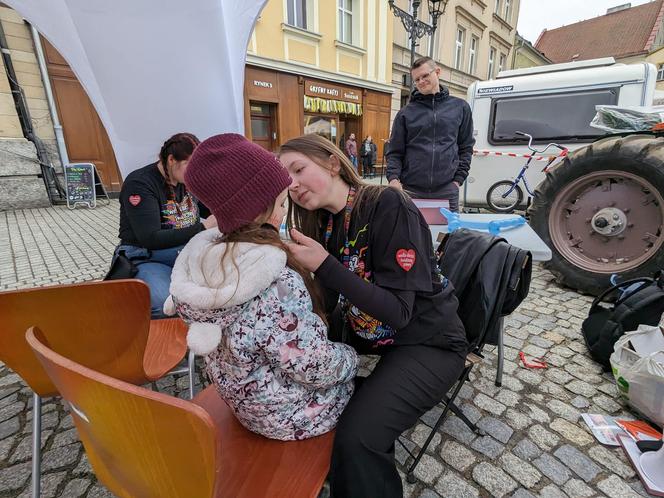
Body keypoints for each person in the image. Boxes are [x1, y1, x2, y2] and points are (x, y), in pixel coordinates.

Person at [280, 134, 468, 498]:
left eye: (299, 169)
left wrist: (325, 265)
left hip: (428, 341)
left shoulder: (388, 204)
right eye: (285, 178)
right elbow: (330, 297)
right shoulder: (328, 221)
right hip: (369, 333)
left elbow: (398, 312)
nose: (293, 184)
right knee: (291, 388)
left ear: (333, 162)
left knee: (358, 438)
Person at [164, 133, 358, 441]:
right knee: (360, 390)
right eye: (280, 203)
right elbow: (312, 364)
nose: (283, 212)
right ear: (256, 208)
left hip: (246, 407)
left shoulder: (206, 261)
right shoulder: (273, 279)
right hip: (293, 416)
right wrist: (350, 357)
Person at [117, 132, 217, 318]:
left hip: (185, 253)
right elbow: (150, 237)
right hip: (147, 256)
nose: (196, 173)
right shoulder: (140, 183)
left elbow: (209, 208)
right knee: (165, 303)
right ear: (171, 160)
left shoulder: (185, 181)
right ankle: (162, 343)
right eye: (191, 166)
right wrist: (203, 228)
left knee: (224, 287)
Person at [386, 56, 475, 212]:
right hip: (411, 190)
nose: (421, 81)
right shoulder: (406, 113)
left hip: (447, 189)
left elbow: (466, 146)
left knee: (448, 235)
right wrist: (393, 179)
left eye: (425, 75)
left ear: (437, 72)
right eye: (417, 79)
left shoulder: (460, 107)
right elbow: (394, 151)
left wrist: (458, 180)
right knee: (411, 235)